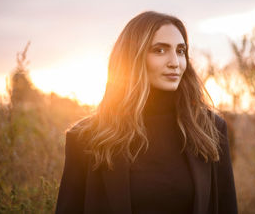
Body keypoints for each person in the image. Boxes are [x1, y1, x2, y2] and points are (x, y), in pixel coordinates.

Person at [55, 11, 238, 214]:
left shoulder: (210, 130)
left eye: (180, 51)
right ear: (133, 58)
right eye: (160, 50)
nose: (175, 62)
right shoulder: (86, 138)